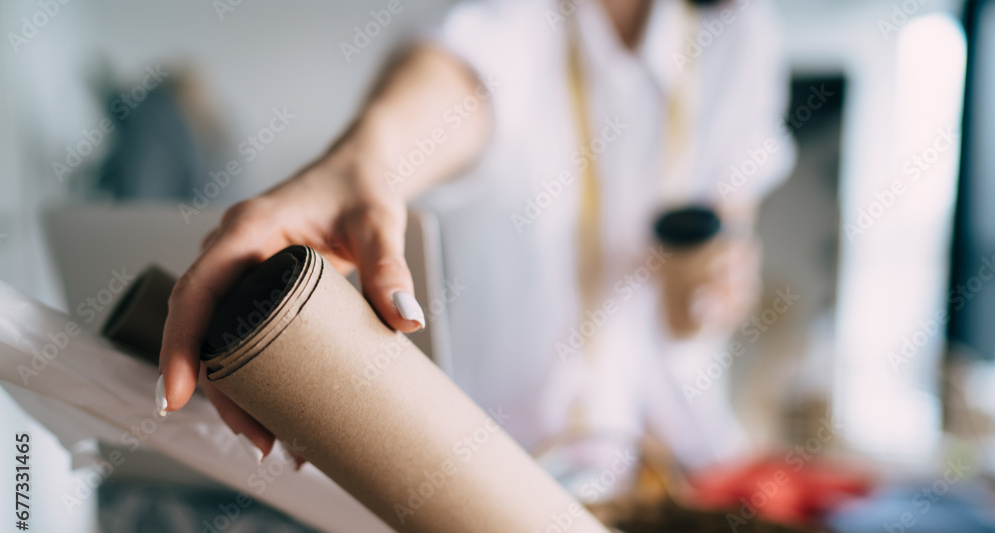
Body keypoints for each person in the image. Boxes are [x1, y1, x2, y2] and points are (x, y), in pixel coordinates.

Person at [157, 0, 794, 483]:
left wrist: (717, 289)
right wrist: (365, 163)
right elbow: (461, 73)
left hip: (672, 463)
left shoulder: (741, 28)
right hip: (496, 471)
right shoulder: (514, 17)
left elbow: (717, 245)